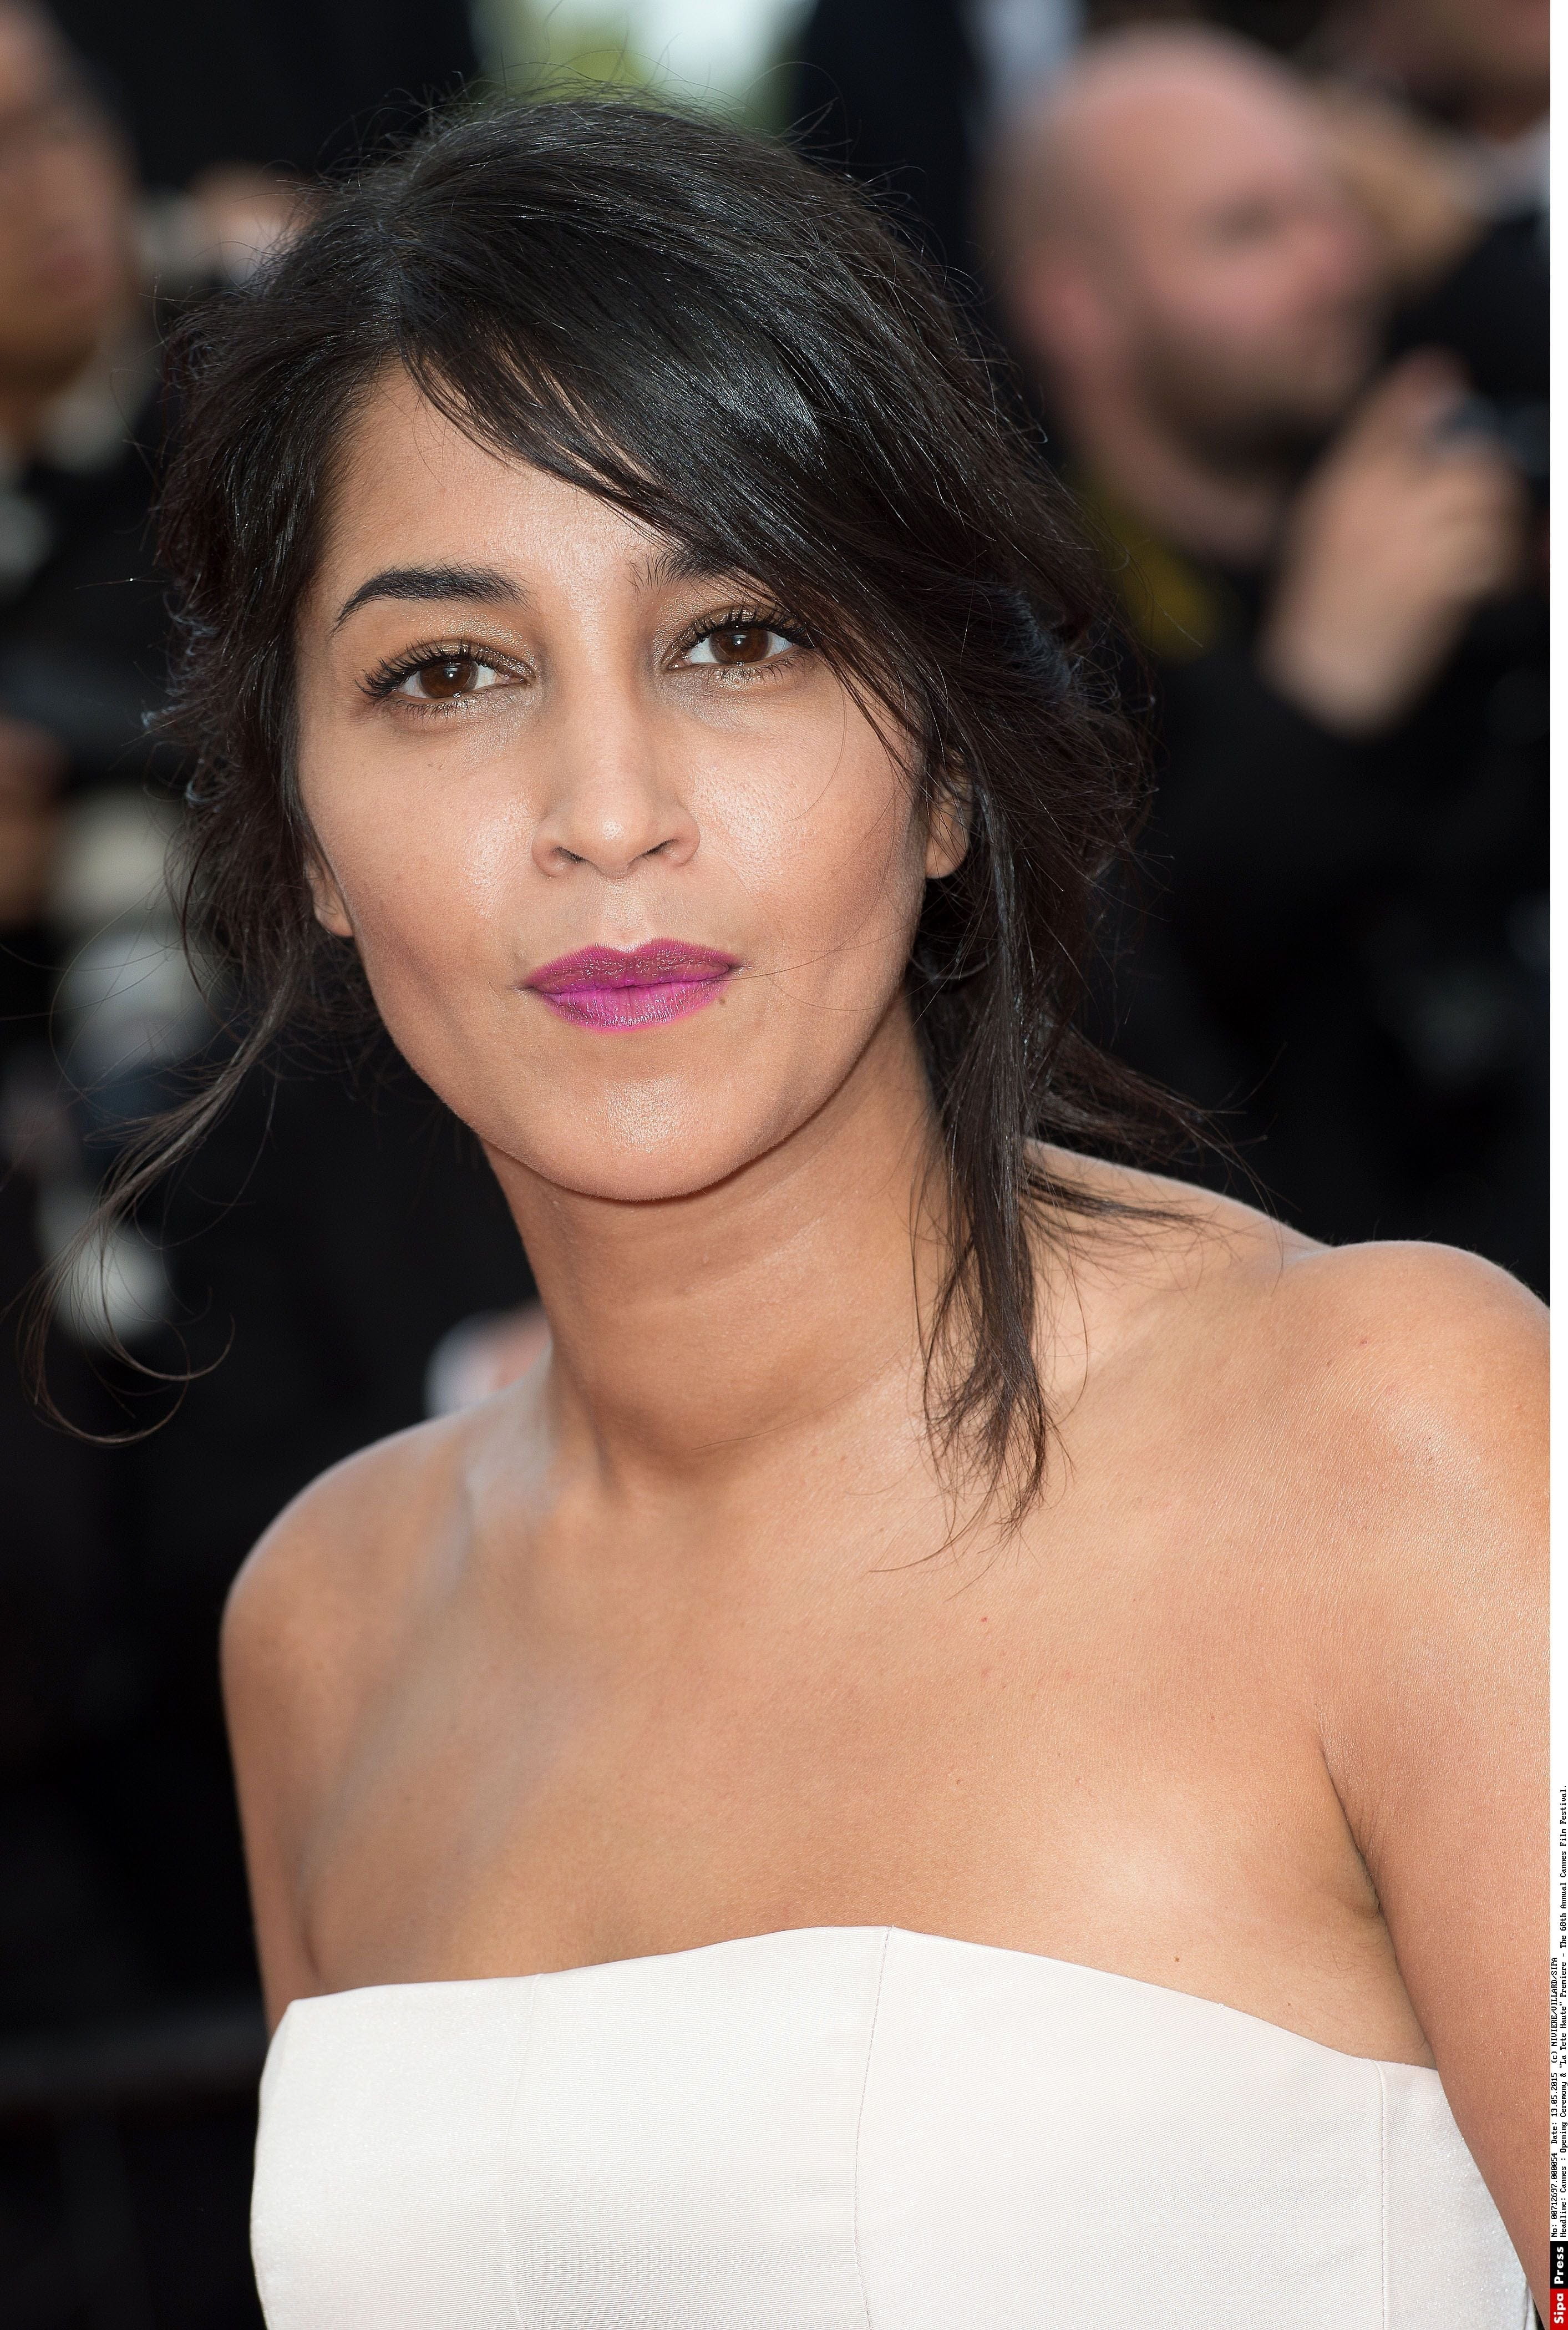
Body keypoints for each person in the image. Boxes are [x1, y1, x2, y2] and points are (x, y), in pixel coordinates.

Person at [124, 94, 1541, 2322]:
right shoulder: (328, 1622)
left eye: (740, 638)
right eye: (447, 674)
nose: (607, 811)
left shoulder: (1387, 1432)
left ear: (947, 765)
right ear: (300, 824)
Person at [986, 26, 1546, 1289]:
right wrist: (1309, 707)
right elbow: (1102, 1057)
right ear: (1075, 305)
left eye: (1341, 209)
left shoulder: (1461, 488)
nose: (1337, 265)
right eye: (1248, 229)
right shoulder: (998, 633)